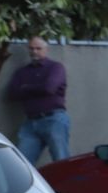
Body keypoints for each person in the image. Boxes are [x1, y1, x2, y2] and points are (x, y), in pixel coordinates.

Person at [6, 36, 69, 165]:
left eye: (38, 48)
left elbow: (49, 89)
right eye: (31, 48)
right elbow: (12, 94)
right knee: (21, 163)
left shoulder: (55, 67)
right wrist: (38, 88)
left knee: (61, 160)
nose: (34, 51)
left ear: (46, 49)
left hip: (53, 119)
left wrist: (25, 88)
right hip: (31, 122)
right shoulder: (22, 72)